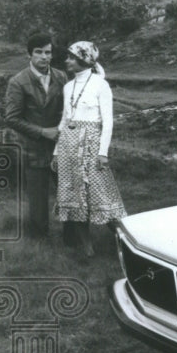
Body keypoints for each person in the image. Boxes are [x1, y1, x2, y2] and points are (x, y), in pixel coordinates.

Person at [52, 41, 126, 256]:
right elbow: (65, 120)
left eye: (71, 57)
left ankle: (127, 240)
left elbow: (108, 121)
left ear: (84, 60)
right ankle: (87, 248)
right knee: (73, 195)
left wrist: (103, 152)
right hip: (68, 145)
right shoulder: (68, 86)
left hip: (92, 145)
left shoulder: (100, 85)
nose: (67, 61)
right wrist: (57, 151)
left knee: (99, 193)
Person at [4, 33, 66, 238]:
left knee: (69, 196)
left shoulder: (61, 77)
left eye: (48, 52)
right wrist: (42, 132)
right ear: (30, 54)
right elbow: (12, 118)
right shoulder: (18, 82)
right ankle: (40, 243)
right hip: (34, 149)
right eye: (38, 52)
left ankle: (73, 241)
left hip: (61, 147)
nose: (44, 57)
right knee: (38, 203)